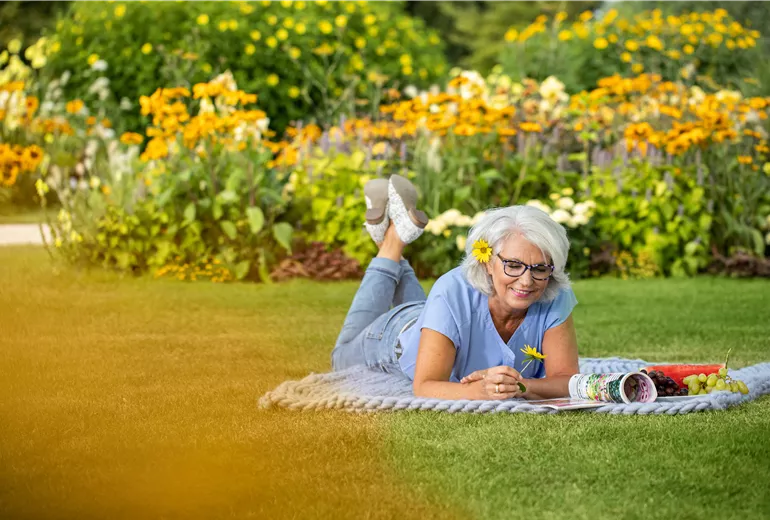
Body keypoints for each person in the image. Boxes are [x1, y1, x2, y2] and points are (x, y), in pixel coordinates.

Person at [331, 174, 579, 401]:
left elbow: (567, 380)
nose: (526, 281)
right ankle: (393, 240)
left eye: (539, 268)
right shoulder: (452, 290)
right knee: (339, 358)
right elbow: (425, 386)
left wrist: (520, 386)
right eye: (513, 265)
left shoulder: (554, 292)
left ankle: (391, 235)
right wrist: (478, 391)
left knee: (439, 305)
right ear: (487, 263)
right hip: (394, 335)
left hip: (438, 315)